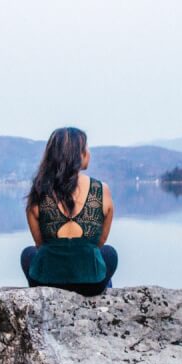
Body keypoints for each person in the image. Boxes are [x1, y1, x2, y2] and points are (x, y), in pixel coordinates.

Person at [20, 127, 117, 296]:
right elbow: (98, 244)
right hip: (91, 285)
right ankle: (103, 298)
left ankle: (42, 297)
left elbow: (40, 245)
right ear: (76, 155)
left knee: (28, 254)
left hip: (47, 282)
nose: (89, 152)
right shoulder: (101, 189)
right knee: (108, 253)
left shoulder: (38, 193)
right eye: (85, 148)